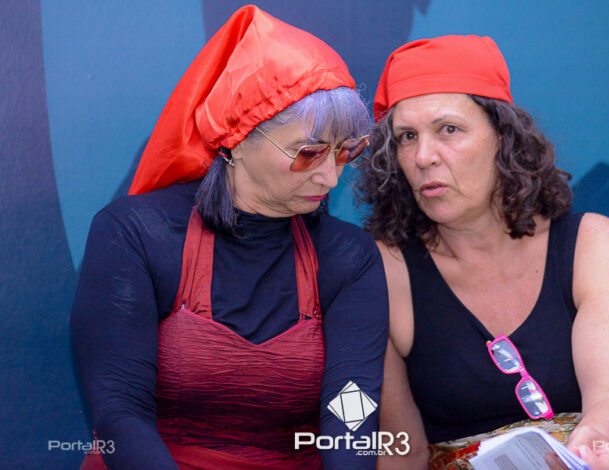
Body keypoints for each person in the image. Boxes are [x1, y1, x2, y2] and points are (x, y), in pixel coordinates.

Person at [71, 5, 387, 469]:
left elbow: (351, 410)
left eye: (346, 152)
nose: (330, 177)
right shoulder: (138, 235)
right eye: (309, 153)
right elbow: (120, 412)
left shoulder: (348, 256)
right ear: (236, 139)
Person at [357, 35, 609, 469]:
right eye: (407, 136)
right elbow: (402, 451)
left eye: (449, 129)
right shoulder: (384, 272)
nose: (423, 156)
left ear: (504, 136)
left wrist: (594, 446)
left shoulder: (592, 244)